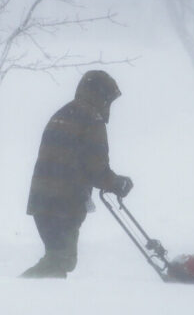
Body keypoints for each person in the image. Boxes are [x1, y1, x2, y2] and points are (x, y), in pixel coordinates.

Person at [21, 70, 133, 278]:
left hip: (42, 200)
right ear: (102, 96)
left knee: (57, 258)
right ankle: (18, 293)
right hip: (63, 203)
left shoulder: (65, 112)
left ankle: (38, 299)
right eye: (109, 99)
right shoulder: (91, 118)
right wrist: (117, 184)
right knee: (61, 260)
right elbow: (96, 167)